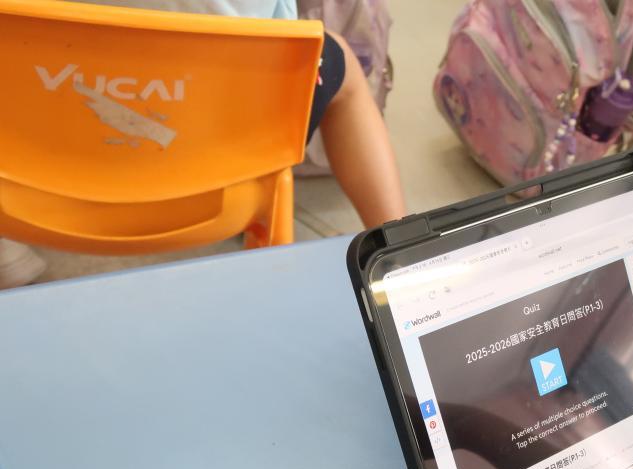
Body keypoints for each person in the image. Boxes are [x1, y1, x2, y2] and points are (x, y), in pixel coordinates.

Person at [0, 0, 406, 291]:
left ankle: (7, 251)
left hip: (29, 175)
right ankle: (403, 255)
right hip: (224, 168)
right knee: (337, 63)